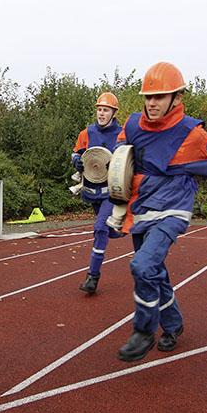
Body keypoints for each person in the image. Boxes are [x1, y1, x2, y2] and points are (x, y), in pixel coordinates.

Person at [113, 62, 207, 361]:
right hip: (142, 209)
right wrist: (116, 207)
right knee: (156, 274)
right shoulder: (133, 125)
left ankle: (144, 330)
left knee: (142, 266)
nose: (152, 103)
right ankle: (173, 326)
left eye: (159, 97)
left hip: (173, 209)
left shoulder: (193, 136)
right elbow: (120, 162)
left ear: (176, 97)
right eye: (148, 97)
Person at [71, 91, 125, 294]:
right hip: (91, 190)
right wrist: (76, 159)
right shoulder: (86, 133)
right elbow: (76, 152)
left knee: (99, 228)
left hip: (111, 191)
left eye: (106, 110)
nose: (102, 113)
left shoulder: (121, 133)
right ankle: (121, 229)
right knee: (108, 231)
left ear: (113, 112)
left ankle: (92, 277)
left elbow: (127, 157)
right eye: (100, 109)